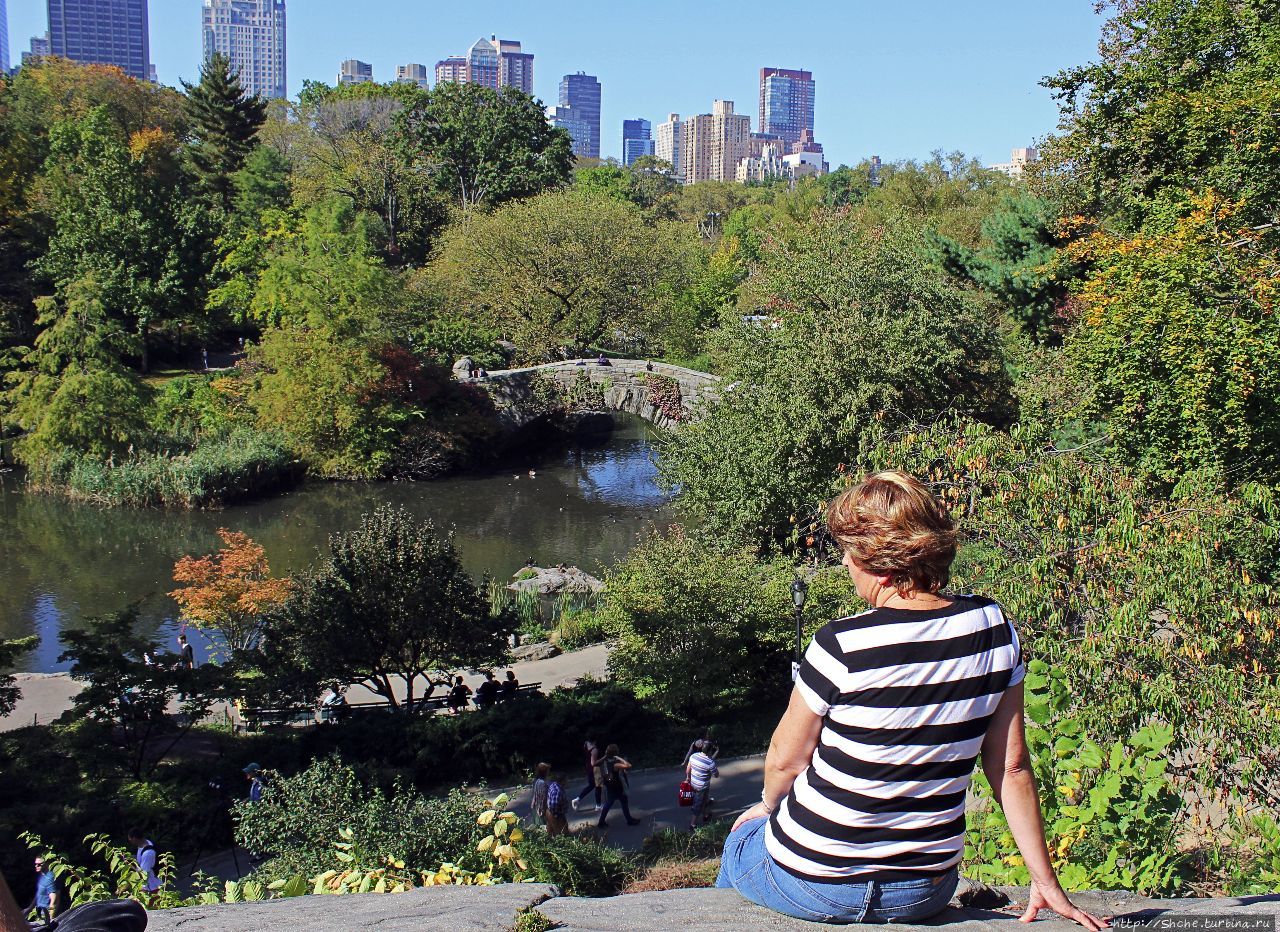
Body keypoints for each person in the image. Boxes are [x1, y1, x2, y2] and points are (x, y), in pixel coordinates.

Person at [716, 471, 1110, 928]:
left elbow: (786, 762)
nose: (845, 563)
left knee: (743, 838)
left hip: (814, 883)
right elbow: (1011, 765)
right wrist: (1044, 880)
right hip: (922, 890)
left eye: (849, 551)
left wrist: (766, 807)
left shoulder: (841, 645)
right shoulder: (993, 627)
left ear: (876, 559)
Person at [596, 744, 640, 828]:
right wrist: (619, 758)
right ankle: (629, 820)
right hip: (617, 786)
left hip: (609, 785)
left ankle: (601, 822)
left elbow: (595, 764)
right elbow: (628, 765)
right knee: (623, 802)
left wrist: (605, 756)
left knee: (609, 803)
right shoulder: (615, 764)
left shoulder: (604, 761)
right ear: (615, 753)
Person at [685, 739, 719, 830]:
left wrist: (688, 778)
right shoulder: (710, 763)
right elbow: (716, 775)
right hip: (702, 787)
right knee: (698, 804)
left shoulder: (693, 756)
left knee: (704, 800)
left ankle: (706, 815)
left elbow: (688, 770)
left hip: (693, 783)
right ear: (710, 751)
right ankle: (692, 825)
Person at [126, 828, 161, 897]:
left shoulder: (148, 852)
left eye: (130, 839)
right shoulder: (144, 845)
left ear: (135, 838)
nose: (130, 841)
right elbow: (141, 859)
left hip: (153, 887)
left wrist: (130, 865)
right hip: (150, 886)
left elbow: (144, 873)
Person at [570, 739, 602, 811]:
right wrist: (603, 758)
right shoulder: (594, 750)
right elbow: (593, 763)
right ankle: (598, 806)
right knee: (598, 787)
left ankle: (577, 799)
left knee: (591, 786)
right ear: (594, 741)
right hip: (595, 769)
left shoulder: (586, 746)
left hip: (589, 769)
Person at [29, 856, 60, 924]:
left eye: (39, 864)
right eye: (36, 864)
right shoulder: (41, 876)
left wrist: (50, 918)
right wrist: (29, 909)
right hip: (40, 914)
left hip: (46, 917)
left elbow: (54, 901)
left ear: (47, 864)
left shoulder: (50, 878)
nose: (36, 866)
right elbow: (39, 894)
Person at [545, 772, 569, 836]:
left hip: (550, 812)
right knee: (562, 832)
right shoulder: (557, 791)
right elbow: (554, 806)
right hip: (555, 814)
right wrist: (558, 818)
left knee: (551, 831)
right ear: (562, 781)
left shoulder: (554, 784)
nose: (567, 781)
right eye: (566, 780)